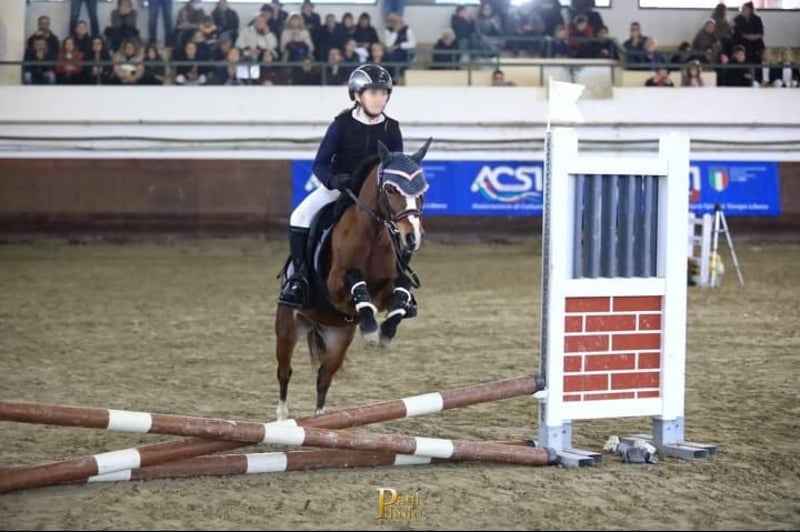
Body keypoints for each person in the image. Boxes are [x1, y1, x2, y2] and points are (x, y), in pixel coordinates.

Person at [278, 63, 403, 309]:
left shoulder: (392, 128)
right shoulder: (341, 124)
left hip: (375, 195)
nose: (379, 98)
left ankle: (401, 284)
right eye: (373, 92)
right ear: (357, 95)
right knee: (299, 216)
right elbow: (320, 164)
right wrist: (334, 180)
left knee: (402, 224)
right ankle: (299, 277)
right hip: (339, 188)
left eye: (383, 93)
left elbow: (396, 168)